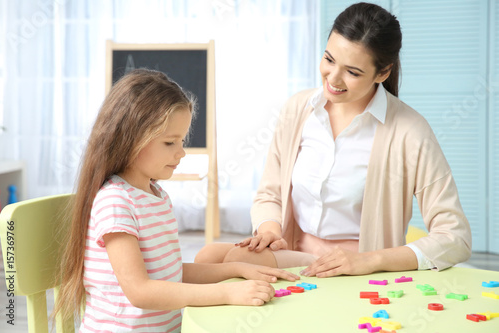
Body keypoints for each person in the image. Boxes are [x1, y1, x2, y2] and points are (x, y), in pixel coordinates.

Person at [195, 2, 472, 277]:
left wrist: (371, 260)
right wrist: (269, 232)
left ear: (383, 72)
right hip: (296, 253)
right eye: (329, 59)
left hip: (356, 265)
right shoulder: (298, 109)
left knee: (233, 259)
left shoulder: (410, 131)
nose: (333, 79)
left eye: (352, 72)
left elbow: (454, 237)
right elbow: (270, 193)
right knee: (207, 256)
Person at [52, 69, 299, 332]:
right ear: (130, 139)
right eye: (170, 142)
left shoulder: (157, 196)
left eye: (181, 141)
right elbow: (140, 291)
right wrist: (227, 294)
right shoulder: (116, 202)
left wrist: (237, 269)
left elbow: (169, 272)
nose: (181, 152)